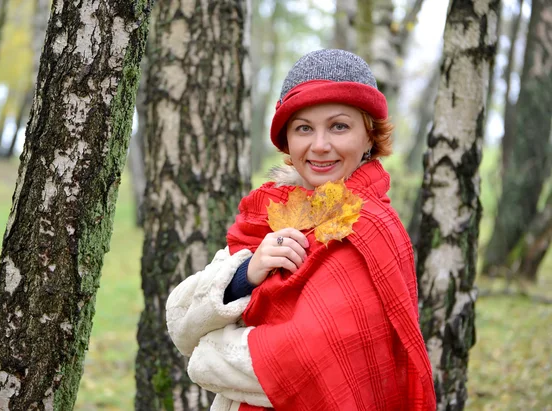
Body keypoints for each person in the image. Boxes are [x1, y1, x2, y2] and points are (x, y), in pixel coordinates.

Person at [166, 49, 436, 411]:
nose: (320, 145)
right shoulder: (269, 214)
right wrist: (248, 272)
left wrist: (207, 352)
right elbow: (181, 321)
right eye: (304, 128)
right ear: (288, 141)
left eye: (339, 126)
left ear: (370, 136)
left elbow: (310, 364)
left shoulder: (368, 230)